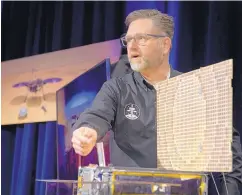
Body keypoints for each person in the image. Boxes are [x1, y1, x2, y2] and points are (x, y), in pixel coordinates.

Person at [72, 9, 242, 195]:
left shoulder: (196, 89)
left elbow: (228, 150)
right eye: (128, 40)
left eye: (141, 39)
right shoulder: (116, 88)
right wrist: (86, 131)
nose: (132, 46)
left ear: (165, 45)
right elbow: (96, 115)